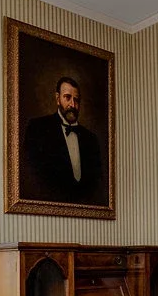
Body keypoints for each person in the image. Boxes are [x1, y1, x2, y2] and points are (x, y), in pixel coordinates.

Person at [21, 76, 105, 205]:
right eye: (67, 97)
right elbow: (31, 177)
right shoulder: (37, 128)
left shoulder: (91, 139)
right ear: (57, 98)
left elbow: (97, 184)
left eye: (76, 100)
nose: (72, 104)